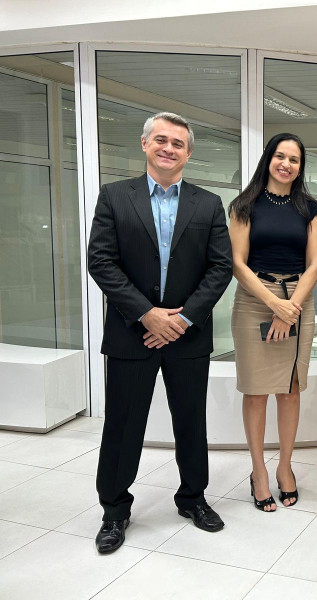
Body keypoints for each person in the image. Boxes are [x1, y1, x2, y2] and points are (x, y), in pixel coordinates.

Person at [88, 112, 233, 554]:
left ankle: (193, 498)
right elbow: (101, 261)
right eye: (162, 140)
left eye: (179, 144)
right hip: (132, 334)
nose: (169, 149)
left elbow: (220, 267)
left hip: (188, 335)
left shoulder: (207, 204)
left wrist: (182, 319)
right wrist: (147, 315)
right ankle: (114, 511)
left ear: (189, 153)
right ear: (145, 144)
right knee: (122, 425)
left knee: (190, 422)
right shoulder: (115, 196)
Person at [229, 133, 317, 512]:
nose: (287, 164)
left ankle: (285, 467)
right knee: (255, 392)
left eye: (295, 159)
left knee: (290, 389)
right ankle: (259, 472)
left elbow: (314, 263)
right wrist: (274, 304)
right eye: (281, 156)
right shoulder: (243, 206)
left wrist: (291, 306)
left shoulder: (311, 209)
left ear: (301, 167)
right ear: (269, 159)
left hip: (298, 300)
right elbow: (238, 262)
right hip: (255, 300)